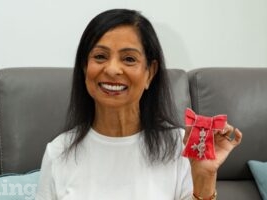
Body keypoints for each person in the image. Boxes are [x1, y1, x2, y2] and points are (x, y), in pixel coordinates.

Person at [35, 8, 242, 200]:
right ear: (84, 68)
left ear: (150, 73)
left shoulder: (181, 146)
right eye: (100, 56)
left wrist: (204, 177)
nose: (113, 69)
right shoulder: (58, 152)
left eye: (129, 59)